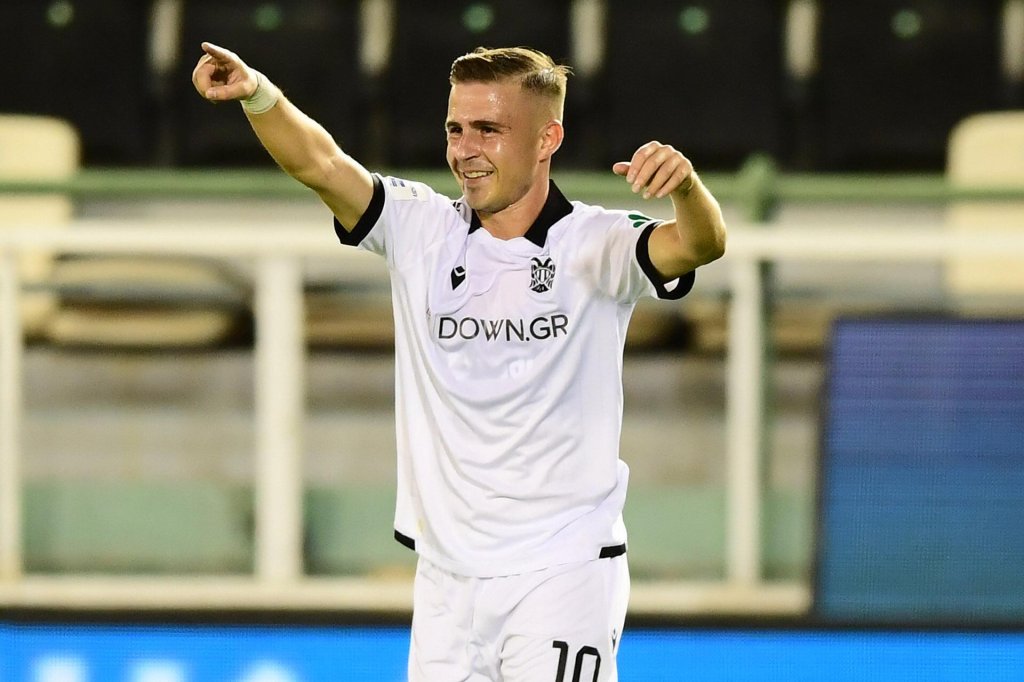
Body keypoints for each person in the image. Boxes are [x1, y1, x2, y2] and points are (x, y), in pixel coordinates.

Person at [193, 41, 726, 681]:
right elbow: (322, 164)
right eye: (455, 129)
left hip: (560, 572)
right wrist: (257, 94)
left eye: (488, 130)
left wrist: (687, 188)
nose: (465, 150)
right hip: (445, 581)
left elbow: (699, 243)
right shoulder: (420, 228)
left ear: (548, 138)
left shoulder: (596, 242)